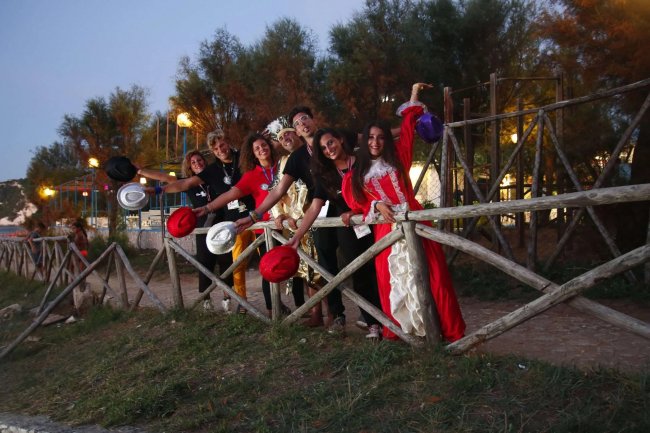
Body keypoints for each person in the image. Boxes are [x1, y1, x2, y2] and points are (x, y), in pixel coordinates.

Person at [341, 83, 466, 342]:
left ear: (387, 140)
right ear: (365, 140)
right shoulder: (358, 173)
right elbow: (356, 201)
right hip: (386, 229)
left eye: (381, 137)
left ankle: (450, 332)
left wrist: (414, 94)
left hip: (415, 220)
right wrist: (376, 205)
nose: (375, 142)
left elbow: (409, 127)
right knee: (392, 280)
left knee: (435, 277)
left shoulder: (399, 157)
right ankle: (400, 333)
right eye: (371, 137)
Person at [235, 106, 348, 333]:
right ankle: (336, 314)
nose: (301, 125)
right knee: (322, 266)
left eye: (304, 119)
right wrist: (255, 215)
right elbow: (279, 191)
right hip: (314, 216)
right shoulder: (295, 159)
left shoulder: (331, 140)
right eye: (295, 124)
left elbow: (369, 142)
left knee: (359, 260)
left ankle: (372, 317)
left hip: (348, 209)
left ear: (313, 120)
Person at [286, 127, 383, 338]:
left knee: (379, 270)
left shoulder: (362, 162)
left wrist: (357, 210)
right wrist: (297, 236)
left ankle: (389, 320)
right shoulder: (325, 175)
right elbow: (314, 207)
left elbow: (378, 191)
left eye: (330, 142)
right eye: (323, 148)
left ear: (340, 139)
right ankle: (373, 324)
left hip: (377, 222)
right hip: (349, 228)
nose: (329, 149)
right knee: (358, 271)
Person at [148, 129, 255, 313]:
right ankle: (231, 302)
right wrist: (156, 189)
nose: (220, 149)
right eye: (215, 148)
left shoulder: (239, 160)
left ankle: (246, 300)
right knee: (222, 264)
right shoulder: (209, 173)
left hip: (249, 216)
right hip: (221, 225)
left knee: (246, 259)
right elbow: (179, 182)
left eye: (222, 145)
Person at [195, 133, 296, 317]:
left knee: (296, 266)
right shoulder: (251, 174)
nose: (262, 149)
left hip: (292, 223)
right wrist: (208, 207)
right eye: (256, 148)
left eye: (264, 145)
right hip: (266, 228)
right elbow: (230, 194)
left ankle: (303, 307)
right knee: (269, 268)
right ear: (252, 154)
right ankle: (272, 311)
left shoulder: (284, 164)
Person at [138, 150, 236, 312]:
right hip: (202, 227)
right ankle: (206, 300)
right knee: (204, 263)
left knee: (226, 261)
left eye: (200, 160)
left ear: (205, 161)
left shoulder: (215, 175)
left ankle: (227, 298)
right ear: (189, 167)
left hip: (222, 225)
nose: (197, 163)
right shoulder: (188, 182)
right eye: (193, 162)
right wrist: (141, 171)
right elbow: (164, 177)